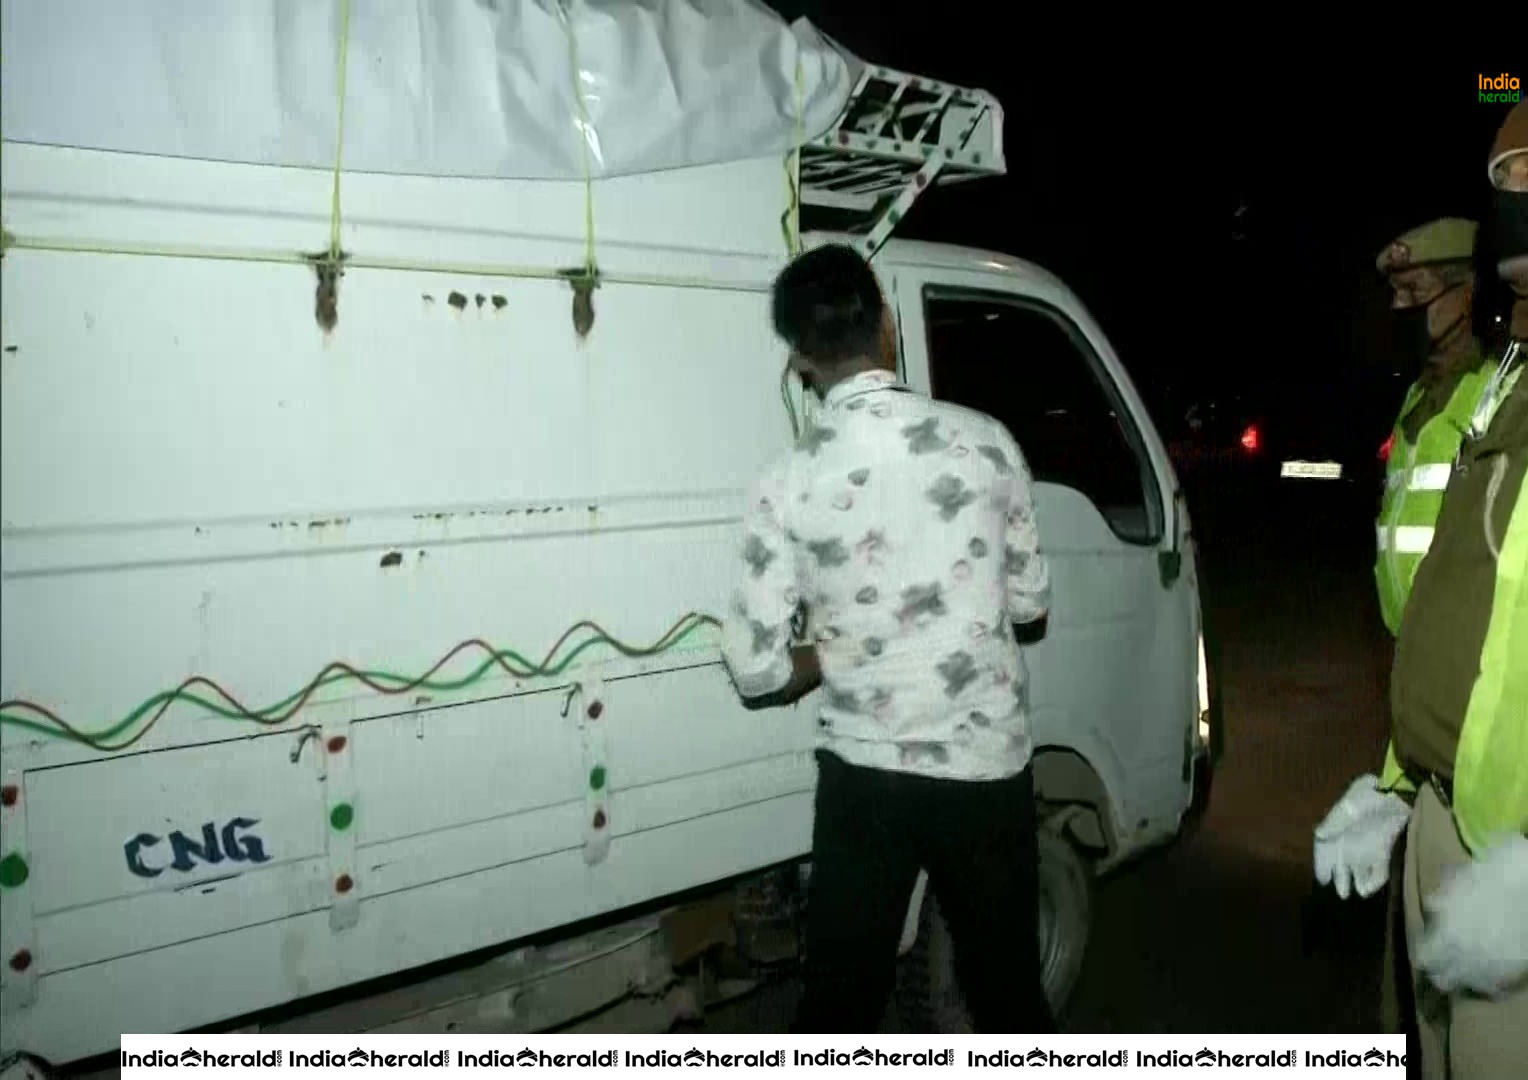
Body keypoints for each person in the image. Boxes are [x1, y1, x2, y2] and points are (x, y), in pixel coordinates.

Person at [720, 243, 1054, 1033]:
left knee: (839, 1001)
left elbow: (757, 669)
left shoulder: (785, 480)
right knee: (1007, 991)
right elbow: (1033, 600)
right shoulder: (988, 442)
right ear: (889, 328)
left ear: (800, 360)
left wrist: (831, 653)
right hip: (984, 771)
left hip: (864, 779)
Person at [1313, 100, 1528, 1079]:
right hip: (1447, 802)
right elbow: (1472, 614)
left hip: (1508, 843)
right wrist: (1399, 779)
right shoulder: (1485, 396)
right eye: (1507, 183)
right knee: (1428, 1045)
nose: (1400, 319)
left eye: (1417, 300)